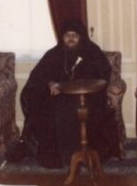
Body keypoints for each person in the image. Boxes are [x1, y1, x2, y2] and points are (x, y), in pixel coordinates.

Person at [17, 19, 119, 169]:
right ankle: (59, 158)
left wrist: (81, 86)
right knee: (46, 110)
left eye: (75, 35)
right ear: (62, 37)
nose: (71, 38)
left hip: (88, 97)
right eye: (67, 35)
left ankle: (81, 157)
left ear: (81, 37)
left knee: (72, 111)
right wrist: (50, 83)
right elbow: (37, 77)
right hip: (59, 98)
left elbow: (103, 76)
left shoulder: (93, 52)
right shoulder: (54, 54)